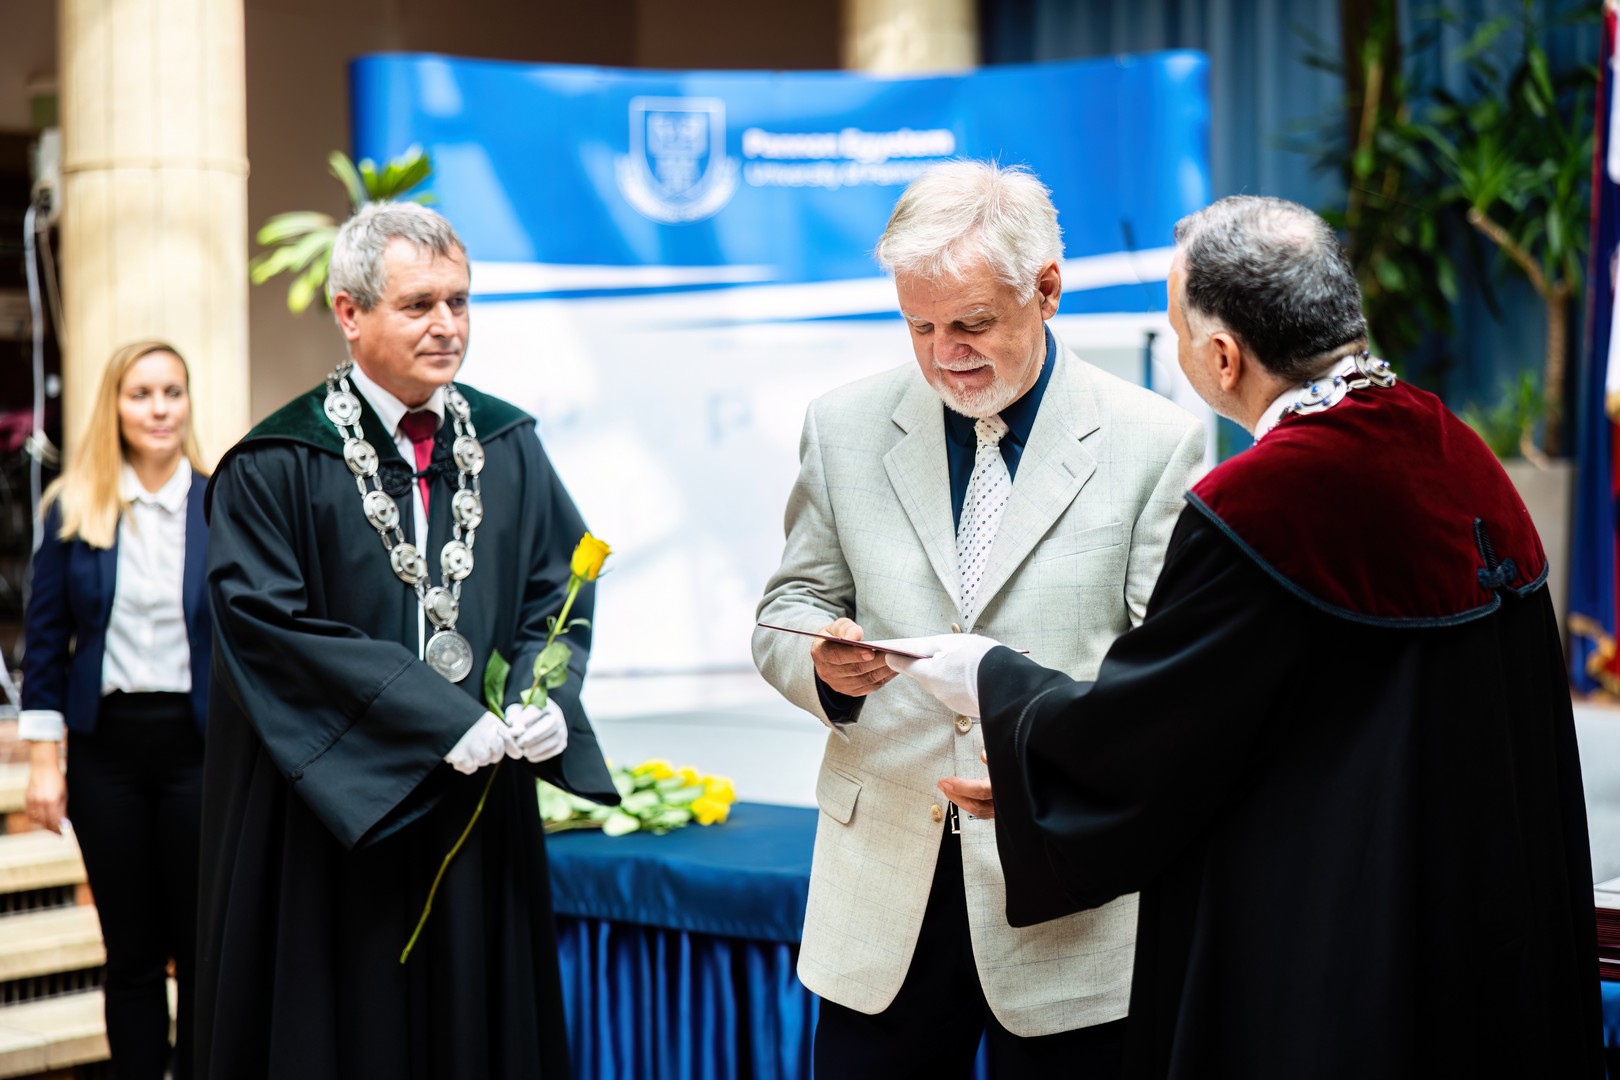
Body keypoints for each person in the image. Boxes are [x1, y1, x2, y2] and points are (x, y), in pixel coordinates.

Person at [888, 195, 1604, 1078]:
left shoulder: (1261, 506)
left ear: (1223, 358)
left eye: (1177, 332)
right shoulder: (1462, 458)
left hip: (1330, 959)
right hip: (1480, 947)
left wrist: (994, 682)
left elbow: (1154, 735)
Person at [751, 160, 1206, 1077]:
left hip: (1066, 898)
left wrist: (1053, 764)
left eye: (971, 324)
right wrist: (826, 671)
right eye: (919, 327)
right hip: (880, 898)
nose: (943, 354)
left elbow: (1172, 678)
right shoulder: (842, 426)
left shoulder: (1155, 441)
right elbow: (787, 610)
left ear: (1047, 290)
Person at [197, 202, 618, 1079]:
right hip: (334, 823)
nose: (447, 325)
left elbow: (557, 589)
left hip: (478, 811)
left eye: (458, 301)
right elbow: (267, 629)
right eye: (419, 304)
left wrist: (542, 698)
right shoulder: (276, 463)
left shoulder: (506, 443)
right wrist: (436, 720)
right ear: (349, 313)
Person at [20, 340, 211, 1080]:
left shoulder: (220, 502)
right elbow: (45, 644)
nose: (159, 409)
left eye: (172, 392)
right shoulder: (74, 507)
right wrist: (44, 763)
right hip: (108, 755)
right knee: (131, 952)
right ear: (115, 407)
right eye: (141, 394)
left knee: (200, 949)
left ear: (188, 403)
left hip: (199, 749)